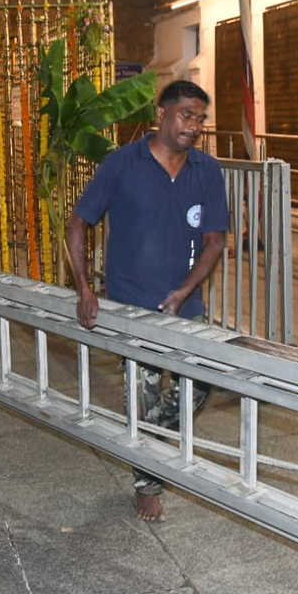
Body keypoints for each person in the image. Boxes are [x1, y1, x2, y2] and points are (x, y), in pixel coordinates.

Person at [67, 80, 229, 522]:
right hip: (130, 306)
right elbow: (78, 223)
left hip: (185, 309)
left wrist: (185, 290)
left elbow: (215, 240)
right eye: (185, 115)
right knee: (143, 392)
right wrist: (84, 288)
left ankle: (148, 441)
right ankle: (147, 484)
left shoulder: (207, 171)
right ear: (161, 113)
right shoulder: (122, 164)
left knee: (198, 385)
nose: (193, 126)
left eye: (200, 118)